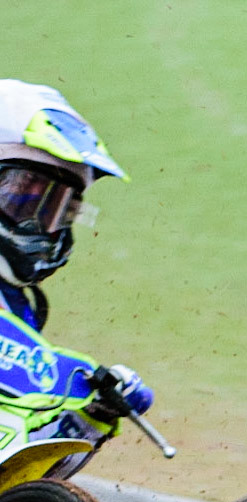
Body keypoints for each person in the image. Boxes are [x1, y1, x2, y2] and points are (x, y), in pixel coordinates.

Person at [0, 81, 152, 438]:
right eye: (22, 198)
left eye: (54, 208)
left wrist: (90, 417)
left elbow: (18, 459)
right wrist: (69, 377)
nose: (36, 226)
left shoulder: (17, 308)